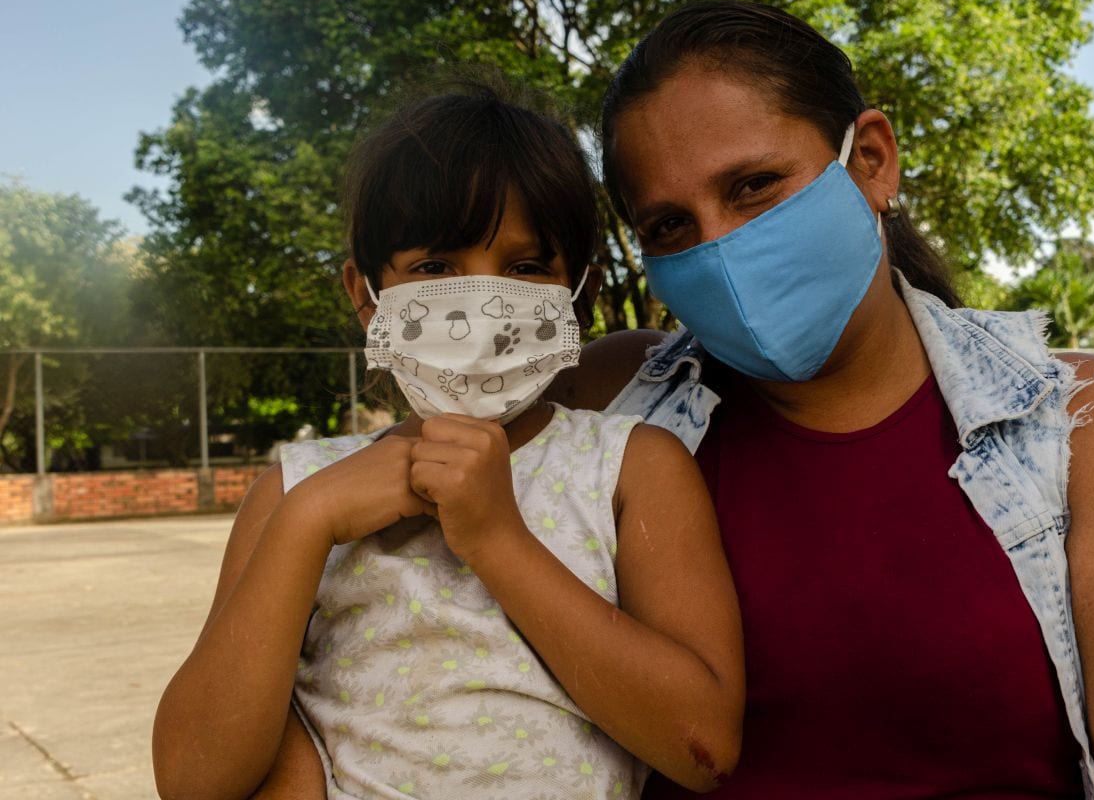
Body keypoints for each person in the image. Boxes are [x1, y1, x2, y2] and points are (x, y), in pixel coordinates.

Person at [559, 0, 1094, 799]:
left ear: (871, 161)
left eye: (754, 186)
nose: (719, 247)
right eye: (670, 226)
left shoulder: (1078, 425)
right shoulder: (609, 402)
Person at [151, 81, 744, 800]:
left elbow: (705, 746)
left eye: (527, 267)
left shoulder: (630, 468)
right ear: (366, 294)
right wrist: (305, 523)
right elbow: (191, 779)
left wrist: (497, 539)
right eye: (435, 267)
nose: (483, 301)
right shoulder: (295, 490)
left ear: (576, 292)